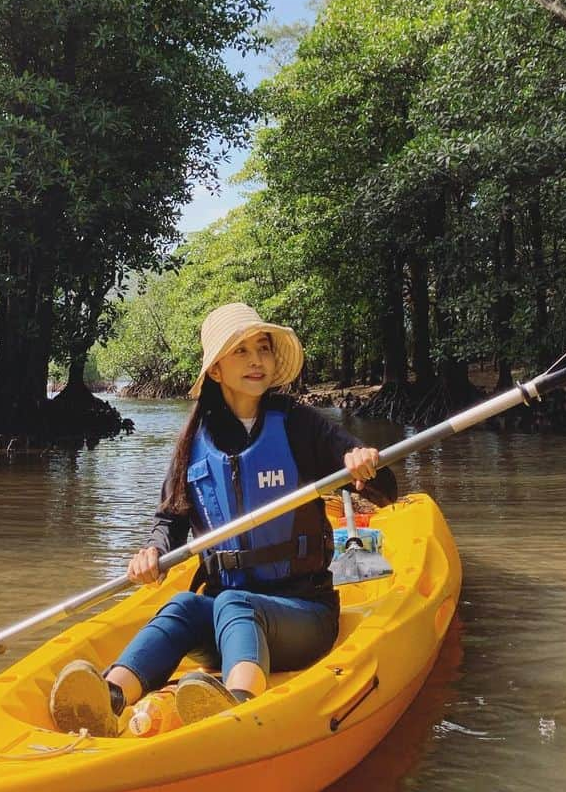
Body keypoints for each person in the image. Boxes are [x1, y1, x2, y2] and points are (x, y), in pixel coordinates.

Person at [49, 302, 398, 736]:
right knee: (181, 605)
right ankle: (108, 698)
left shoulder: (299, 425)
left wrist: (366, 466)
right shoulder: (194, 440)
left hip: (304, 613)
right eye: (241, 351)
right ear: (215, 370)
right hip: (225, 616)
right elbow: (169, 520)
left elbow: (386, 492)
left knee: (235, 604)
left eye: (264, 348)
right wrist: (153, 550)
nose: (256, 360)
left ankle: (238, 708)